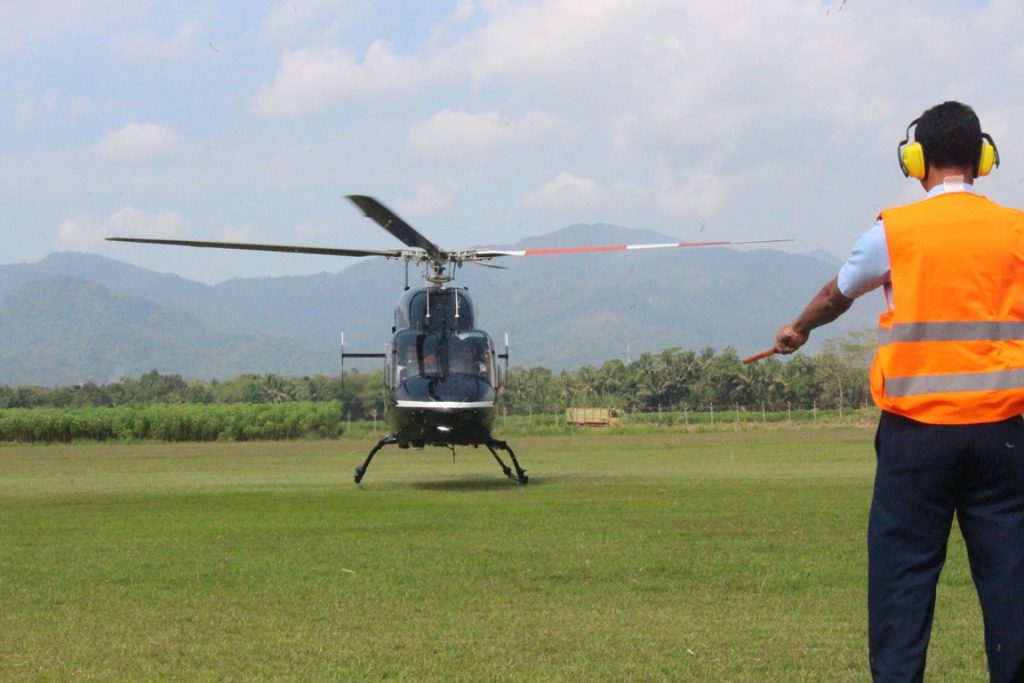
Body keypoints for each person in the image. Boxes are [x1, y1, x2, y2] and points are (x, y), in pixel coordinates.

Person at [772, 101, 1024, 682]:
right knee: (1011, 583)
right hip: (1003, 436)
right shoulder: (1014, 230)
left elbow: (838, 295)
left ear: (916, 160)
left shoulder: (896, 231)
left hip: (916, 439)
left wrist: (799, 328)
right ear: (984, 158)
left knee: (902, 582)